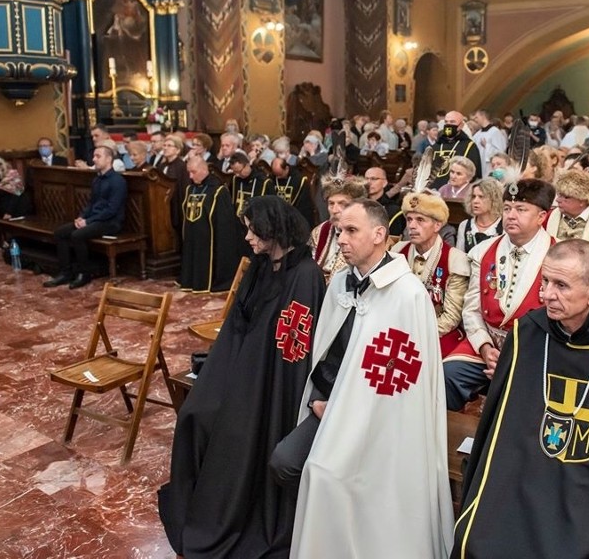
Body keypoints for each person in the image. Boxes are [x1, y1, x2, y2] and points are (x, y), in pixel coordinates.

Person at [453, 240, 589, 558]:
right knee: (478, 541)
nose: (546, 294)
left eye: (561, 285)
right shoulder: (527, 335)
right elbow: (499, 428)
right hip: (524, 473)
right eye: (545, 282)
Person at [270, 199, 453, 558]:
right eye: (339, 231)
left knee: (329, 475)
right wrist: (318, 401)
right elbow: (324, 355)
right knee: (285, 462)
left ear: (379, 235)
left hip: (382, 421)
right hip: (329, 406)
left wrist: (342, 409)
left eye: (351, 231)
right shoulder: (340, 284)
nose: (341, 239)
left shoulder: (407, 294)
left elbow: (399, 384)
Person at [159, 196, 325, 558]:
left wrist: (246, 380)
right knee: (194, 415)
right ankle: (203, 505)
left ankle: (234, 514)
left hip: (270, 383)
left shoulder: (305, 275)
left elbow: (291, 348)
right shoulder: (262, 265)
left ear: (273, 228)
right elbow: (239, 322)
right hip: (241, 366)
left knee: (233, 430)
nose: (247, 236)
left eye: (253, 229)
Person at [443, 179, 556, 411]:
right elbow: (471, 309)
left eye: (521, 209)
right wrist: (485, 347)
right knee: (447, 374)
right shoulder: (483, 252)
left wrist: (513, 361)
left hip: (533, 352)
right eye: (507, 208)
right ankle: (449, 441)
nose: (511, 215)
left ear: (542, 217)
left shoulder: (558, 255)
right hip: (489, 345)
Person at [392, 192, 470, 356]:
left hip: (436, 333)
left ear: (437, 225)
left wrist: (415, 335)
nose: (412, 226)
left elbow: (450, 318)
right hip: (397, 327)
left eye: (420, 220)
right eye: (409, 219)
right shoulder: (397, 252)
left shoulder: (455, 260)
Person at [43, 146, 127, 289]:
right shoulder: (97, 180)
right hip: (94, 219)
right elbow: (91, 204)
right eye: (94, 156)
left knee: (77, 235)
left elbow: (112, 210)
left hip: (111, 222)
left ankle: (84, 273)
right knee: (60, 232)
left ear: (109, 159)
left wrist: (88, 221)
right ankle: (65, 272)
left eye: (98, 156)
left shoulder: (117, 181)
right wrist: (81, 217)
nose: (94, 159)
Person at [179, 157, 241, 292]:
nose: (190, 176)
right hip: (194, 235)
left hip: (211, 238)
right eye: (189, 172)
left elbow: (225, 223)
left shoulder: (218, 190)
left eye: (193, 172)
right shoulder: (190, 189)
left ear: (203, 169)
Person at [310, 175, 368, 284]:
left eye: (342, 204)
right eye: (331, 203)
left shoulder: (366, 234)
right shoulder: (319, 231)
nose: (334, 210)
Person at [430, 111, 483, 190]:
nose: (449, 125)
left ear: (461, 125)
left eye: (452, 122)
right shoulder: (436, 146)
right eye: (446, 122)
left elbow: (474, 174)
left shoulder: (469, 146)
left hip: (457, 193)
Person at [261, 157, 315, 228]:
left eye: (280, 174)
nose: (278, 177)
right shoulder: (271, 179)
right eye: (276, 175)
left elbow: (304, 206)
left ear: (286, 168)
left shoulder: (299, 180)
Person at [456, 178, 504, 253]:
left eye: (481, 197)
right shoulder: (464, 225)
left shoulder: (504, 226)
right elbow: (459, 256)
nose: (475, 201)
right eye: (473, 196)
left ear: (494, 199)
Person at [0, 155, 31, 220]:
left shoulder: (12, 176)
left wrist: (8, 213)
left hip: (15, 211)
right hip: (2, 210)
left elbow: (16, 196)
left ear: (0, 167)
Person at [471, 109, 507, 178]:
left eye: (476, 117)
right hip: (480, 165)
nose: (475, 119)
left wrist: (487, 146)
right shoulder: (477, 134)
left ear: (483, 116)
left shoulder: (495, 132)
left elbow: (501, 152)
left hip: (490, 166)